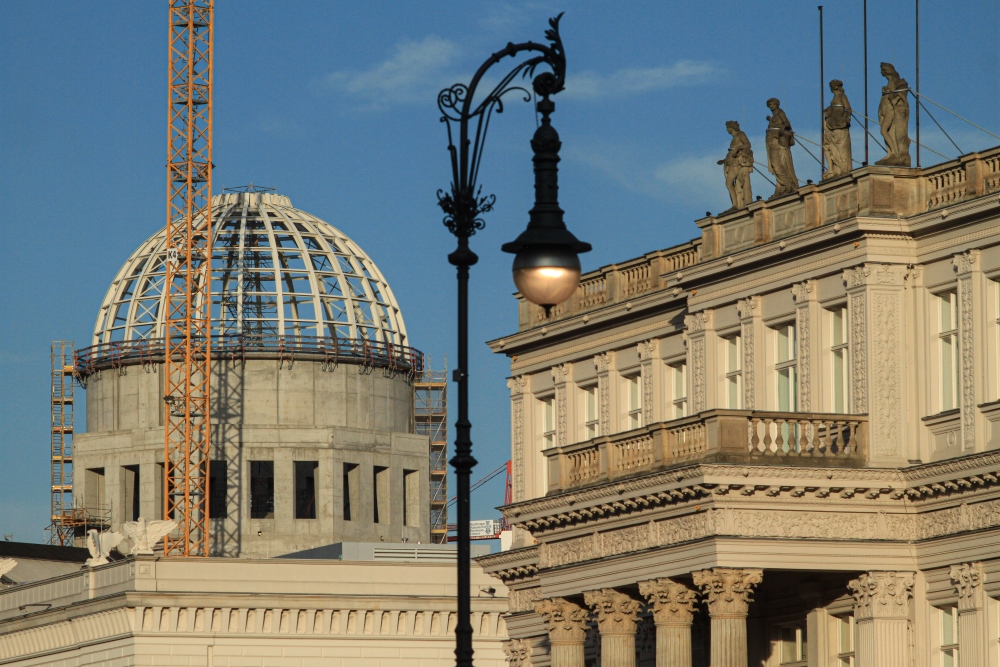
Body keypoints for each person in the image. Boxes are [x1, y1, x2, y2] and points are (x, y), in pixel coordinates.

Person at [875, 62, 911, 167]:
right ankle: (891, 153)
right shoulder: (890, 82)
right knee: (888, 132)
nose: (882, 72)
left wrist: (893, 98)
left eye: (883, 70)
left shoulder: (898, 81)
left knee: (885, 131)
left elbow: (902, 95)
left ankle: (895, 153)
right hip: (885, 110)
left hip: (892, 110)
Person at [765, 98, 798, 198]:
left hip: (778, 142)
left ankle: (788, 185)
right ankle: (781, 187)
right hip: (772, 142)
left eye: (773, 104)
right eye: (770, 104)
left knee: (777, 165)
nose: (772, 106)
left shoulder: (780, 112)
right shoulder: (775, 115)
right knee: (776, 165)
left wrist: (781, 129)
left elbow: (787, 123)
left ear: (777, 104)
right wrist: (771, 120)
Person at [718, 120, 754, 211]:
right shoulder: (734, 138)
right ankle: (735, 204)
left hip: (736, 163)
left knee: (729, 183)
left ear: (731, 127)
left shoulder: (740, 134)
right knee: (729, 183)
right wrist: (724, 160)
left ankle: (735, 204)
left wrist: (738, 148)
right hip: (730, 163)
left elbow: (748, 145)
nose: (727, 130)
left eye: (727, 128)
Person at [823, 80, 854, 179]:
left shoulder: (842, 96)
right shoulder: (835, 97)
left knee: (841, 148)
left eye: (831, 86)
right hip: (833, 125)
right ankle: (837, 170)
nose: (831, 87)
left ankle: (843, 169)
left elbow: (848, 109)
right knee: (833, 148)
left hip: (839, 124)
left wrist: (845, 118)